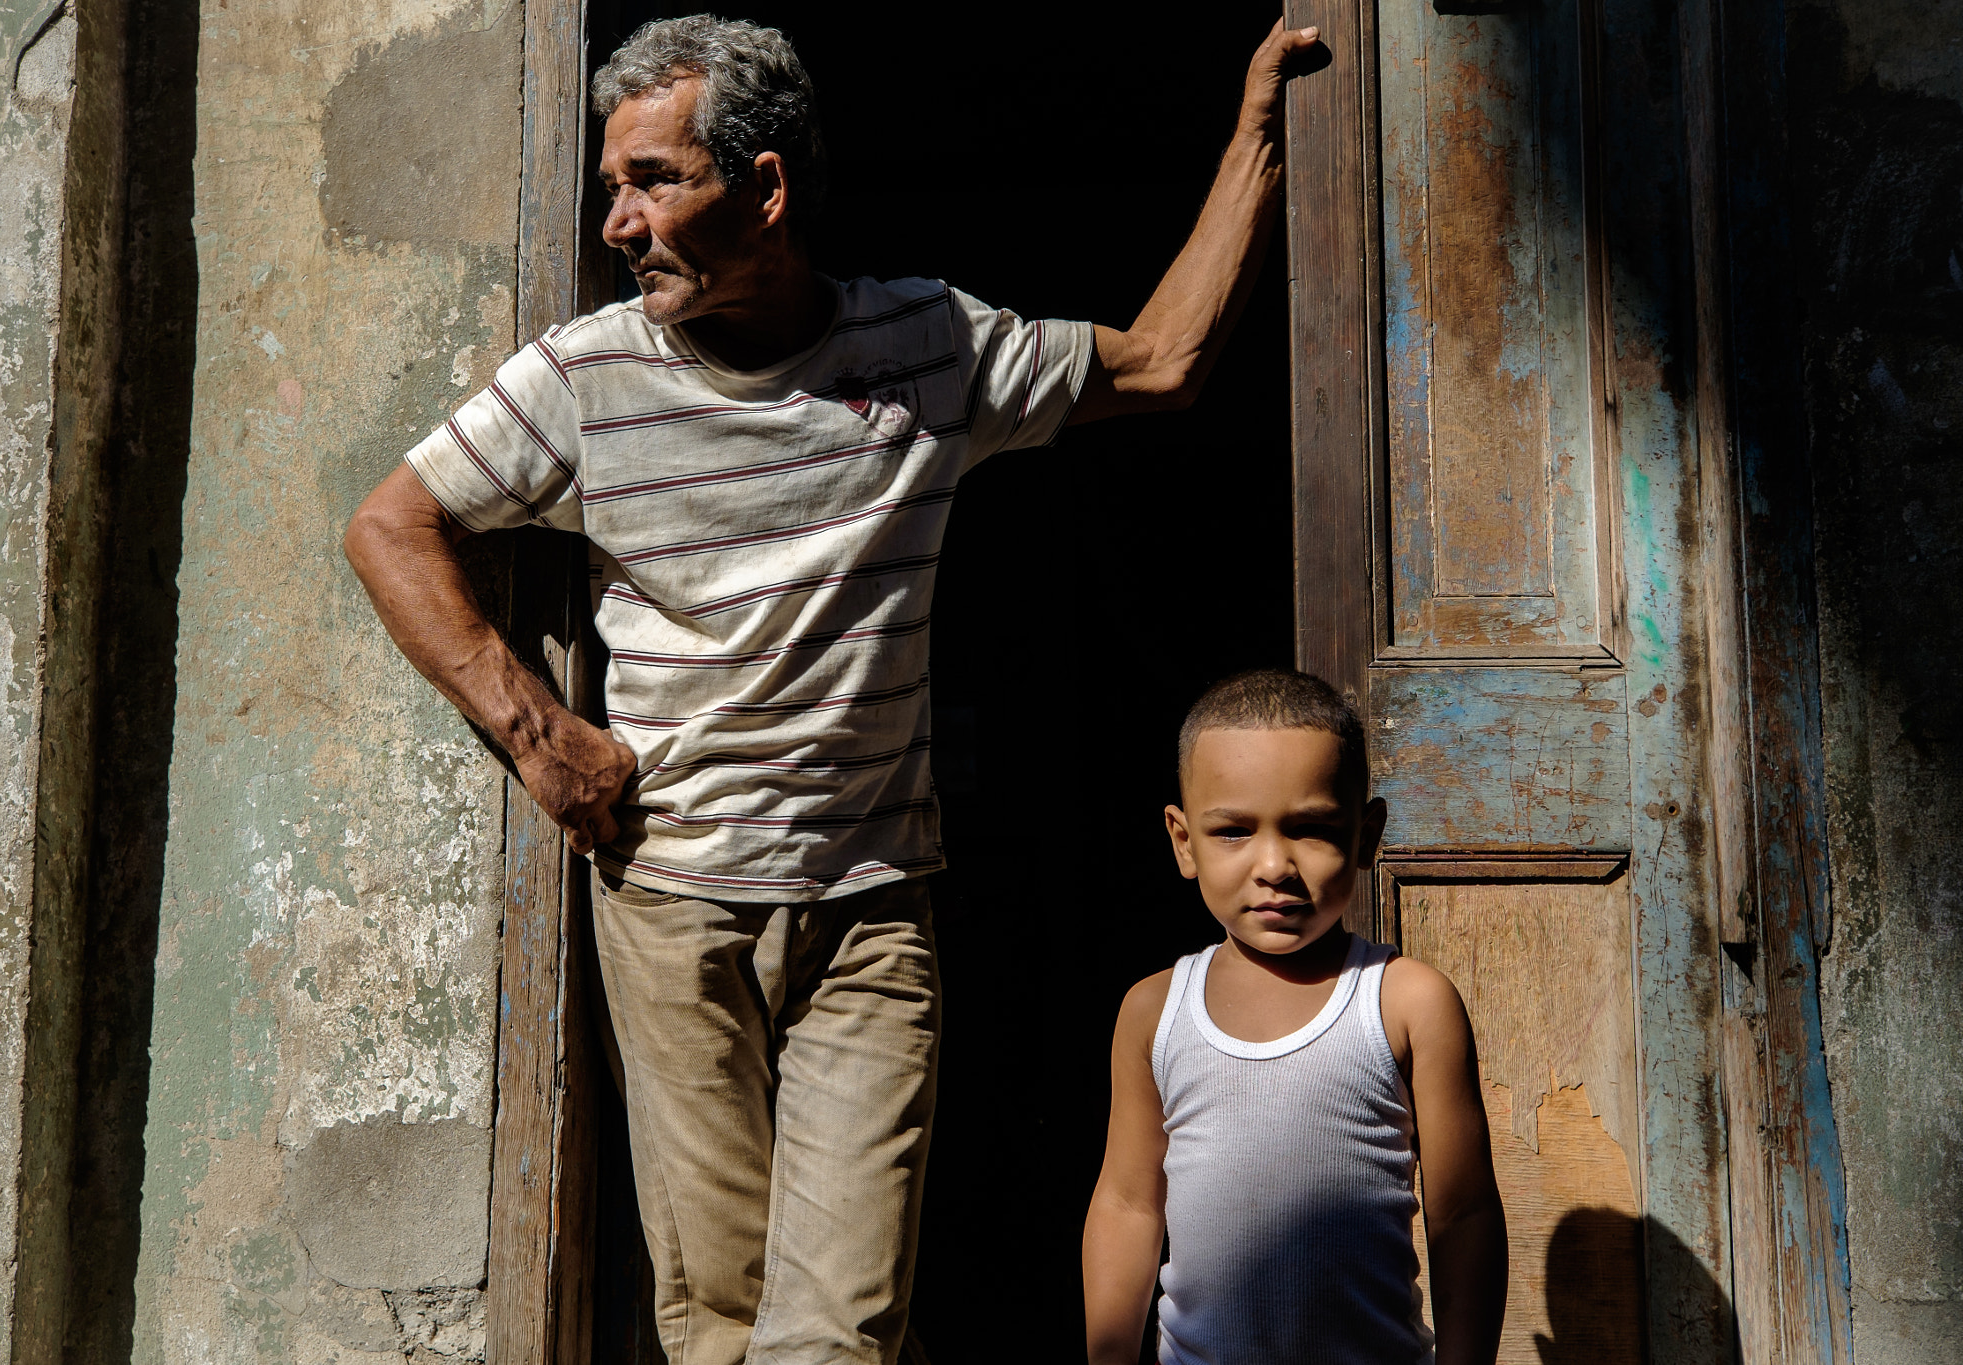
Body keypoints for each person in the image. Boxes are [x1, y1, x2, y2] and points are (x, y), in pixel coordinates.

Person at [345, 14, 1319, 1365]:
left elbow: (1162, 360)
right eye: (612, 189)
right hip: (675, 908)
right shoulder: (585, 378)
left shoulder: (927, 347)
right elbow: (392, 526)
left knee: (842, 1330)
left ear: (767, 188)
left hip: (872, 920)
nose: (619, 224)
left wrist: (1257, 137)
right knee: (717, 1326)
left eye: (653, 181)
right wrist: (543, 739)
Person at [1082, 670, 1508, 1365]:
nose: (1274, 864)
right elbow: (1129, 1204)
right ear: (1183, 841)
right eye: (1234, 831)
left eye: (1311, 829)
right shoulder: (1153, 1011)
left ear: (1367, 834)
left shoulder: (1405, 1002)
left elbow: (1463, 1215)